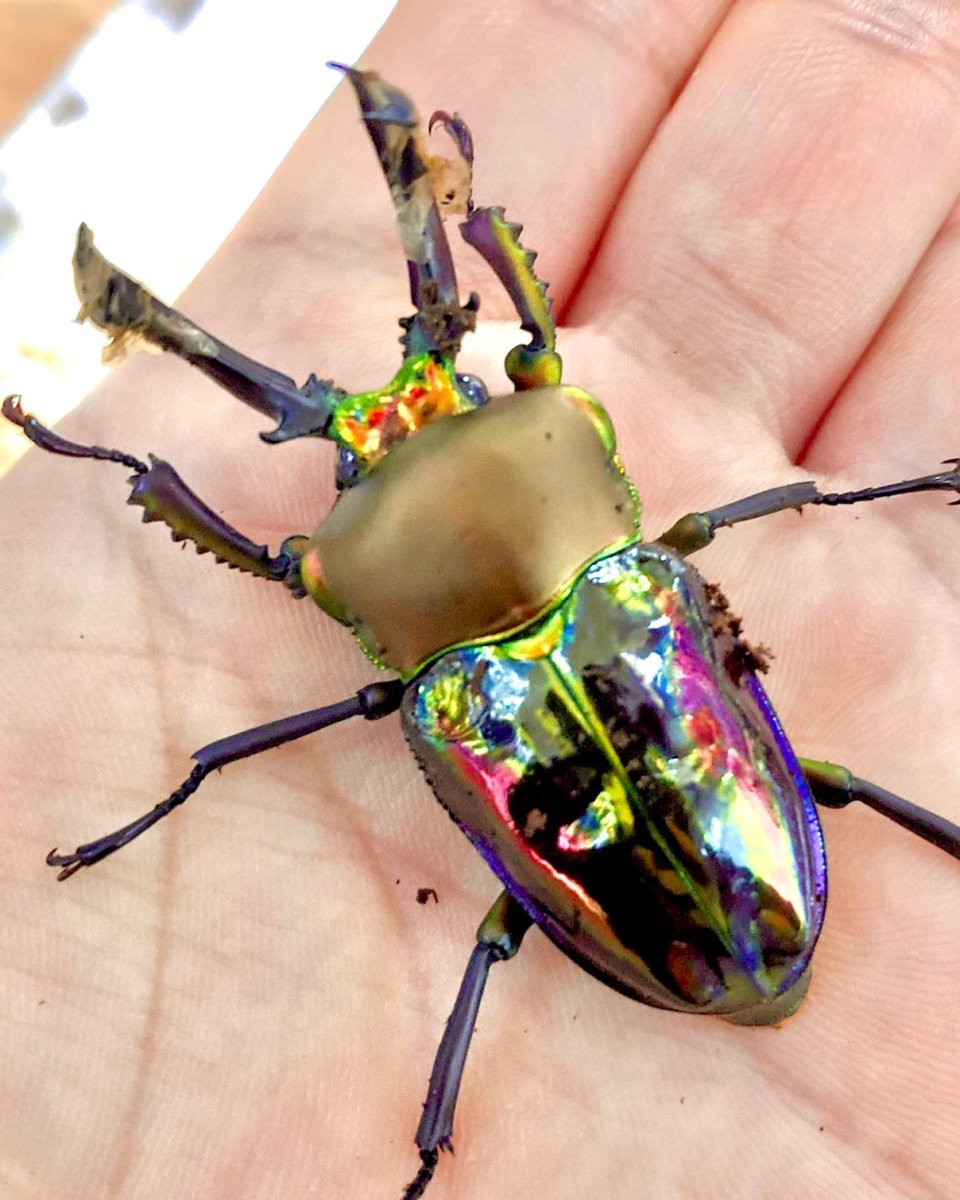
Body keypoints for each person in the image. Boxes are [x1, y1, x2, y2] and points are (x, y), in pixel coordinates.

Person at [1, 2, 958, 1195]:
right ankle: (426, 1152)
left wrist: (134, 471)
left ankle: (426, 1158)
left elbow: (275, 560)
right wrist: (489, 257)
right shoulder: (645, 577)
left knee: (495, 939)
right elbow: (549, 380)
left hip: (701, 925)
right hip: (742, 903)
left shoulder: (449, 685)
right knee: (843, 784)